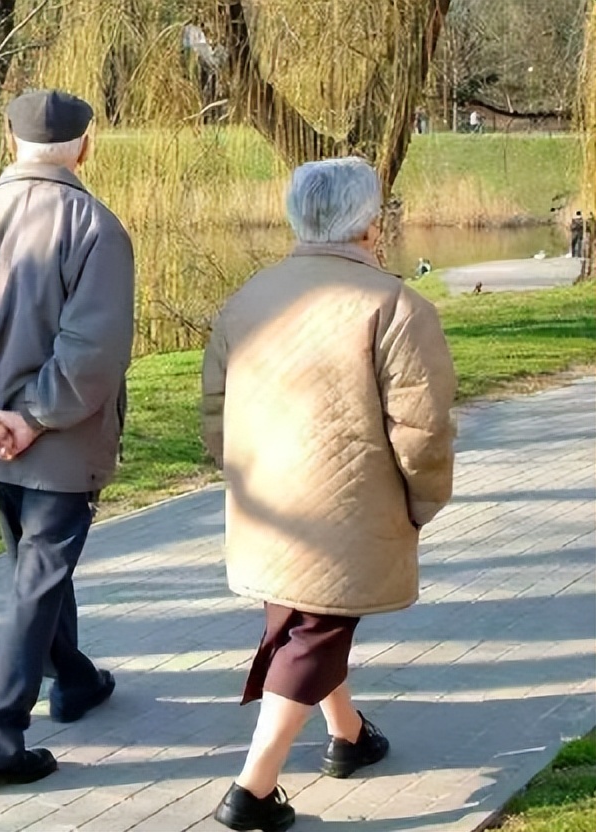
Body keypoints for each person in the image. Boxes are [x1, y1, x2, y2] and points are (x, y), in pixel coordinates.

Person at [201, 157, 457, 831]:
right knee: (315, 630)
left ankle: (348, 734)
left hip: (268, 502)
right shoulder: (395, 306)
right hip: (349, 506)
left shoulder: (248, 297)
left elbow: (215, 410)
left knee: (306, 621)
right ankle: (251, 793)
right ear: (370, 223)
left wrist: (243, 478)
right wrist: (423, 501)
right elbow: (423, 428)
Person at [0, 89, 134, 788]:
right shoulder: (95, 226)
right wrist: (32, 418)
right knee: (34, 587)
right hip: (57, 446)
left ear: (9, 143)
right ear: (85, 146)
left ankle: (74, 680)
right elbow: (92, 350)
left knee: (37, 577)